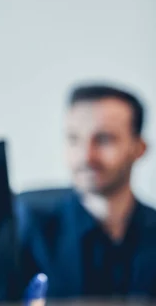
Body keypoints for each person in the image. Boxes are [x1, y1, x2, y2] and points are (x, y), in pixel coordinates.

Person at [16, 84, 156, 299]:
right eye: (74, 139)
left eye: (103, 139)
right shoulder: (28, 231)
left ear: (139, 148)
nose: (86, 156)